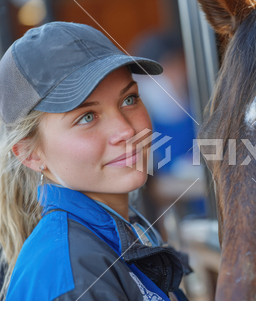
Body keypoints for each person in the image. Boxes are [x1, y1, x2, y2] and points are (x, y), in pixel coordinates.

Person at [0, 21, 191, 301]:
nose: (126, 130)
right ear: (30, 154)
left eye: (129, 99)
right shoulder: (73, 280)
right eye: (87, 117)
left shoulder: (117, 233)